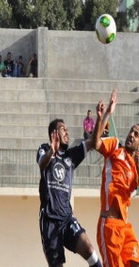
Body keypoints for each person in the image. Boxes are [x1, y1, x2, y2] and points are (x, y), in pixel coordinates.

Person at [36, 106, 104, 267]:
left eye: (67, 129)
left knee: (88, 248)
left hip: (66, 219)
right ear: (54, 133)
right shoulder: (45, 149)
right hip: (49, 221)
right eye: (62, 129)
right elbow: (41, 164)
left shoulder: (71, 156)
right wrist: (51, 152)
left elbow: (94, 142)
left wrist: (101, 117)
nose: (67, 132)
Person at [92, 89, 139, 267]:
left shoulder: (134, 167)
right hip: (109, 225)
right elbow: (96, 143)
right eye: (131, 131)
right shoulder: (115, 147)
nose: (131, 135)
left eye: (136, 134)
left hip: (124, 226)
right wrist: (105, 115)